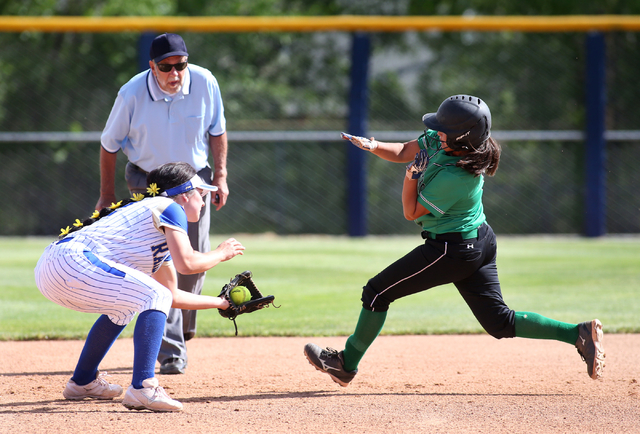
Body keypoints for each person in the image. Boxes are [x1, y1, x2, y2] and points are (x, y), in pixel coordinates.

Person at [304, 94, 605, 386]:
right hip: (478, 240)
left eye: (444, 128)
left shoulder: (461, 176)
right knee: (499, 322)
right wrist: (373, 146)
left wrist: (411, 175)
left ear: (461, 137)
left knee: (376, 293)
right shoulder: (444, 141)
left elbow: (410, 212)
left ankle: (346, 364)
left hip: (452, 249)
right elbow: (402, 151)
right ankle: (578, 334)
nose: (436, 131)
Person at [35, 162, 245, 412]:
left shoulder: (156, 226)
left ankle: (83, 381)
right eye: (200, 194)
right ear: (185, 194)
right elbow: (188, 263)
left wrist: (221, 303)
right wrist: (222, 253)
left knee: (127, 307)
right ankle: (143, 387)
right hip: (72, 261)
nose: (203, 201)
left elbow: (172, 296)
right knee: (152, 294)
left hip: (54, 267)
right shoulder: (170, 206)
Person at [97, 33, 229, 375]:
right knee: (164, 261)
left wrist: (222, 175)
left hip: (193, 179)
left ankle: (182, 326)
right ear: (152, 66)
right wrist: (106, 194)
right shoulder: (131, 93)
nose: (175, 73)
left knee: (194, 263)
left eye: (180, 65)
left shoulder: (205, 82)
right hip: (149, 180)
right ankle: (170, 349)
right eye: (166, 67)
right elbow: (109, 146)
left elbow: (217, 130)